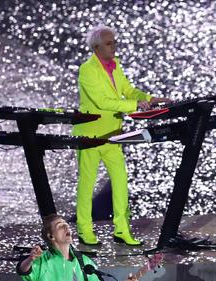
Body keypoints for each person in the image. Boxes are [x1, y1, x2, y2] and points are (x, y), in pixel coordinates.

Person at [72, 24, 170, 247]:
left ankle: (122, 230)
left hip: (113, 135)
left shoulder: (116, 66)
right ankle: (84, 230)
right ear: (96, 47)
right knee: (87, 185)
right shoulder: (87, 70)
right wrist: (136, 105)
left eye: (115, 42)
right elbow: (102, 102)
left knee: (120, 182)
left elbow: (128, 89)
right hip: (90, 136)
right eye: (109, 43)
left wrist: (149, 98)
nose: (114, 46)